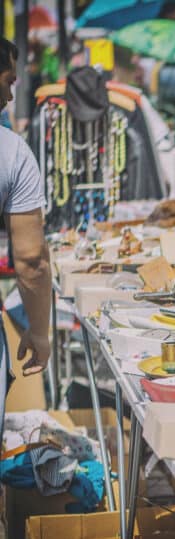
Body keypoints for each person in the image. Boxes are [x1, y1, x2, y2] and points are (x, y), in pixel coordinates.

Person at [0, 39, 53, 389]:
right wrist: (40, 333)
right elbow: (31, 259)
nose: (8, 97)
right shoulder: (11, 151)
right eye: (8, 82)